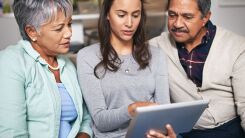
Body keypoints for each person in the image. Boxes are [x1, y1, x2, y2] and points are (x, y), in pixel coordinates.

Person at [76, 0, 176, 137]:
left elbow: (164, 113)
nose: (129, 23)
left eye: (135, 15)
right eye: (121, 15)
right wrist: (132, 109)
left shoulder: (157, 55)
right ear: (107, 14)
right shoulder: (87, 57)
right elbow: (100, 121)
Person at [149, 0, 245, 137]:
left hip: (229, 130)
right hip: (183, 133)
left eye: (187, 17)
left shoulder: (237, 47)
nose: (177, 24)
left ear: (205, 17)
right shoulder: (155, 46)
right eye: (172, 15)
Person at [0, 0, 92, 138]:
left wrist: (84, 135)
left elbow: (85, 118)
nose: (69, 33)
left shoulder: (67, 64)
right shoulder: (11, 62)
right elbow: (12, 134)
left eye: (69, 24)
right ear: (32, 32)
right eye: (59, 28)